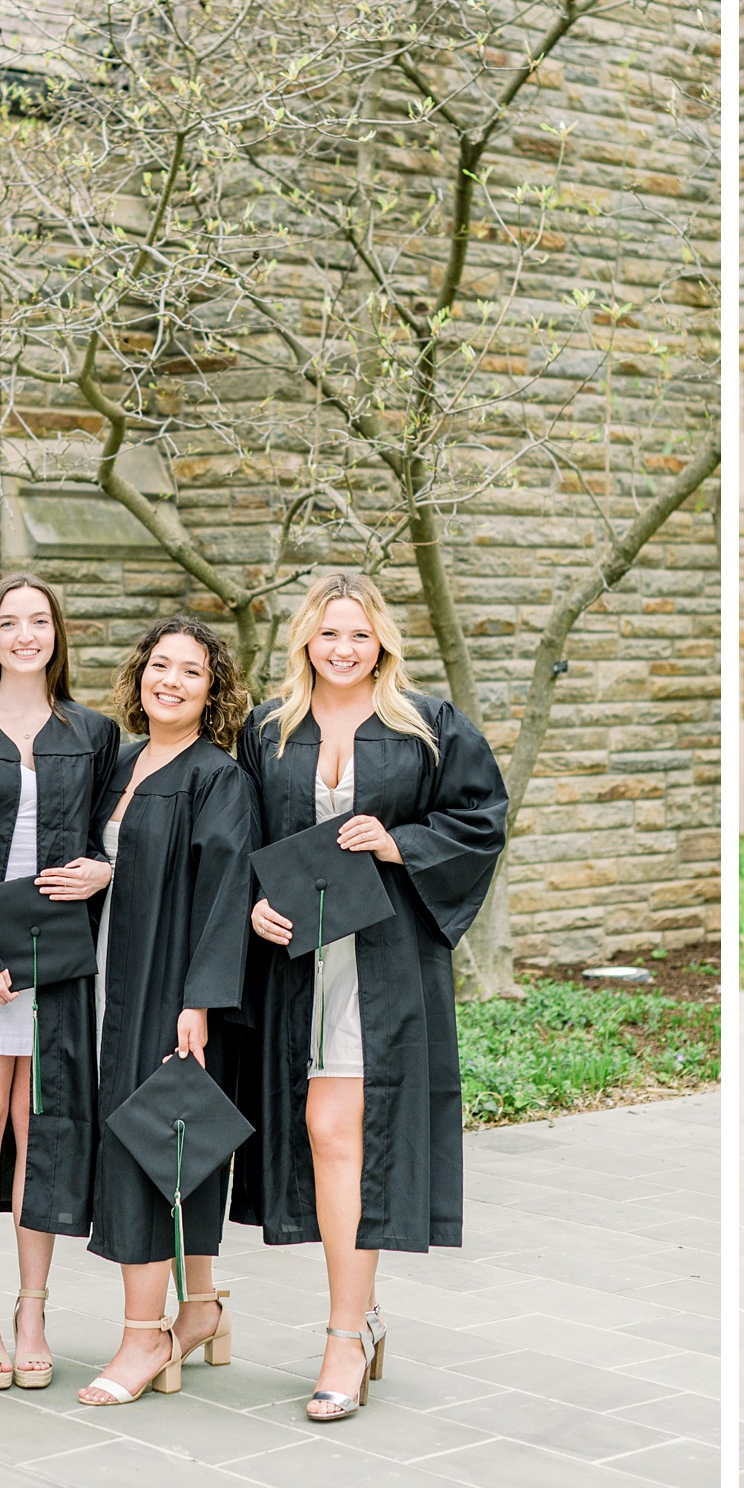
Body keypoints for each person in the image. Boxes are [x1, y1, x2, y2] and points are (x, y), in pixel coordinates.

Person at [235, 572, 508, 1422]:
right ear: (304, 644)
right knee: (319, 1133)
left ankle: (344, 1338)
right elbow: (241, 837)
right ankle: (363, 1317)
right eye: (327, 636)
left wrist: (400, 842)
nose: (343, 650)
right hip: (298, 962)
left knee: (335, 1128)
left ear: (380, 641)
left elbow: (481, 817)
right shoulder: (268, 732)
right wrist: (254, 904)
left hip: (381, 959)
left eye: (357, 635)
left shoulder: (425, 727)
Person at [0, 575, 118, 1392]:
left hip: (59, 961)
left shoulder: (96, 732)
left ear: (58, 633)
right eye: (10, 622)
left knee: (40, 1122)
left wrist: (105, 871)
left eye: (41, 619)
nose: (26, 634)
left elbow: (123, 831)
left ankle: (32, 1306)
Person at [76, 618, 257, 1407]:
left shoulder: (218, 778)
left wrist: (198, 999)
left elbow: (228, 891)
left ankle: (143, 1337)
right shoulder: (118, 762)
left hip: (162, 985)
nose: (171, 681)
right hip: (102, 978)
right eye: (160, 666)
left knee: (147, 1144)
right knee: (166, 1139)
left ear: (213, 690)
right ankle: (203, 1309)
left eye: (191, 671)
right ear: (138, 676)